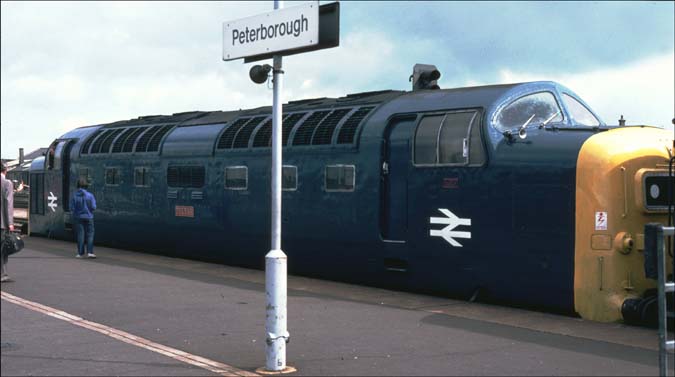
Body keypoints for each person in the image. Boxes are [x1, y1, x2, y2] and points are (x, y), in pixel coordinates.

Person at [70, 178, 97, 258]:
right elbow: (93, 207)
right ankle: (90, 252)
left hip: (78, 217)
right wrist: (89, 210)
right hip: (89, 217)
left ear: (78, 185)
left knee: (80, 235)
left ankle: (80, 253)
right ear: (86, 185)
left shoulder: (74, 196)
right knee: (90, 234)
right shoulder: (90, 195)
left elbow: (72, 208)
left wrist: (77, 212)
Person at [1, 162, 15, 282]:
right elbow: (8, 204)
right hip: (1, 223)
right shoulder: (7, 183)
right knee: (2, 248)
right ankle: (3, 274)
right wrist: (10, 223)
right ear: (5, 170)